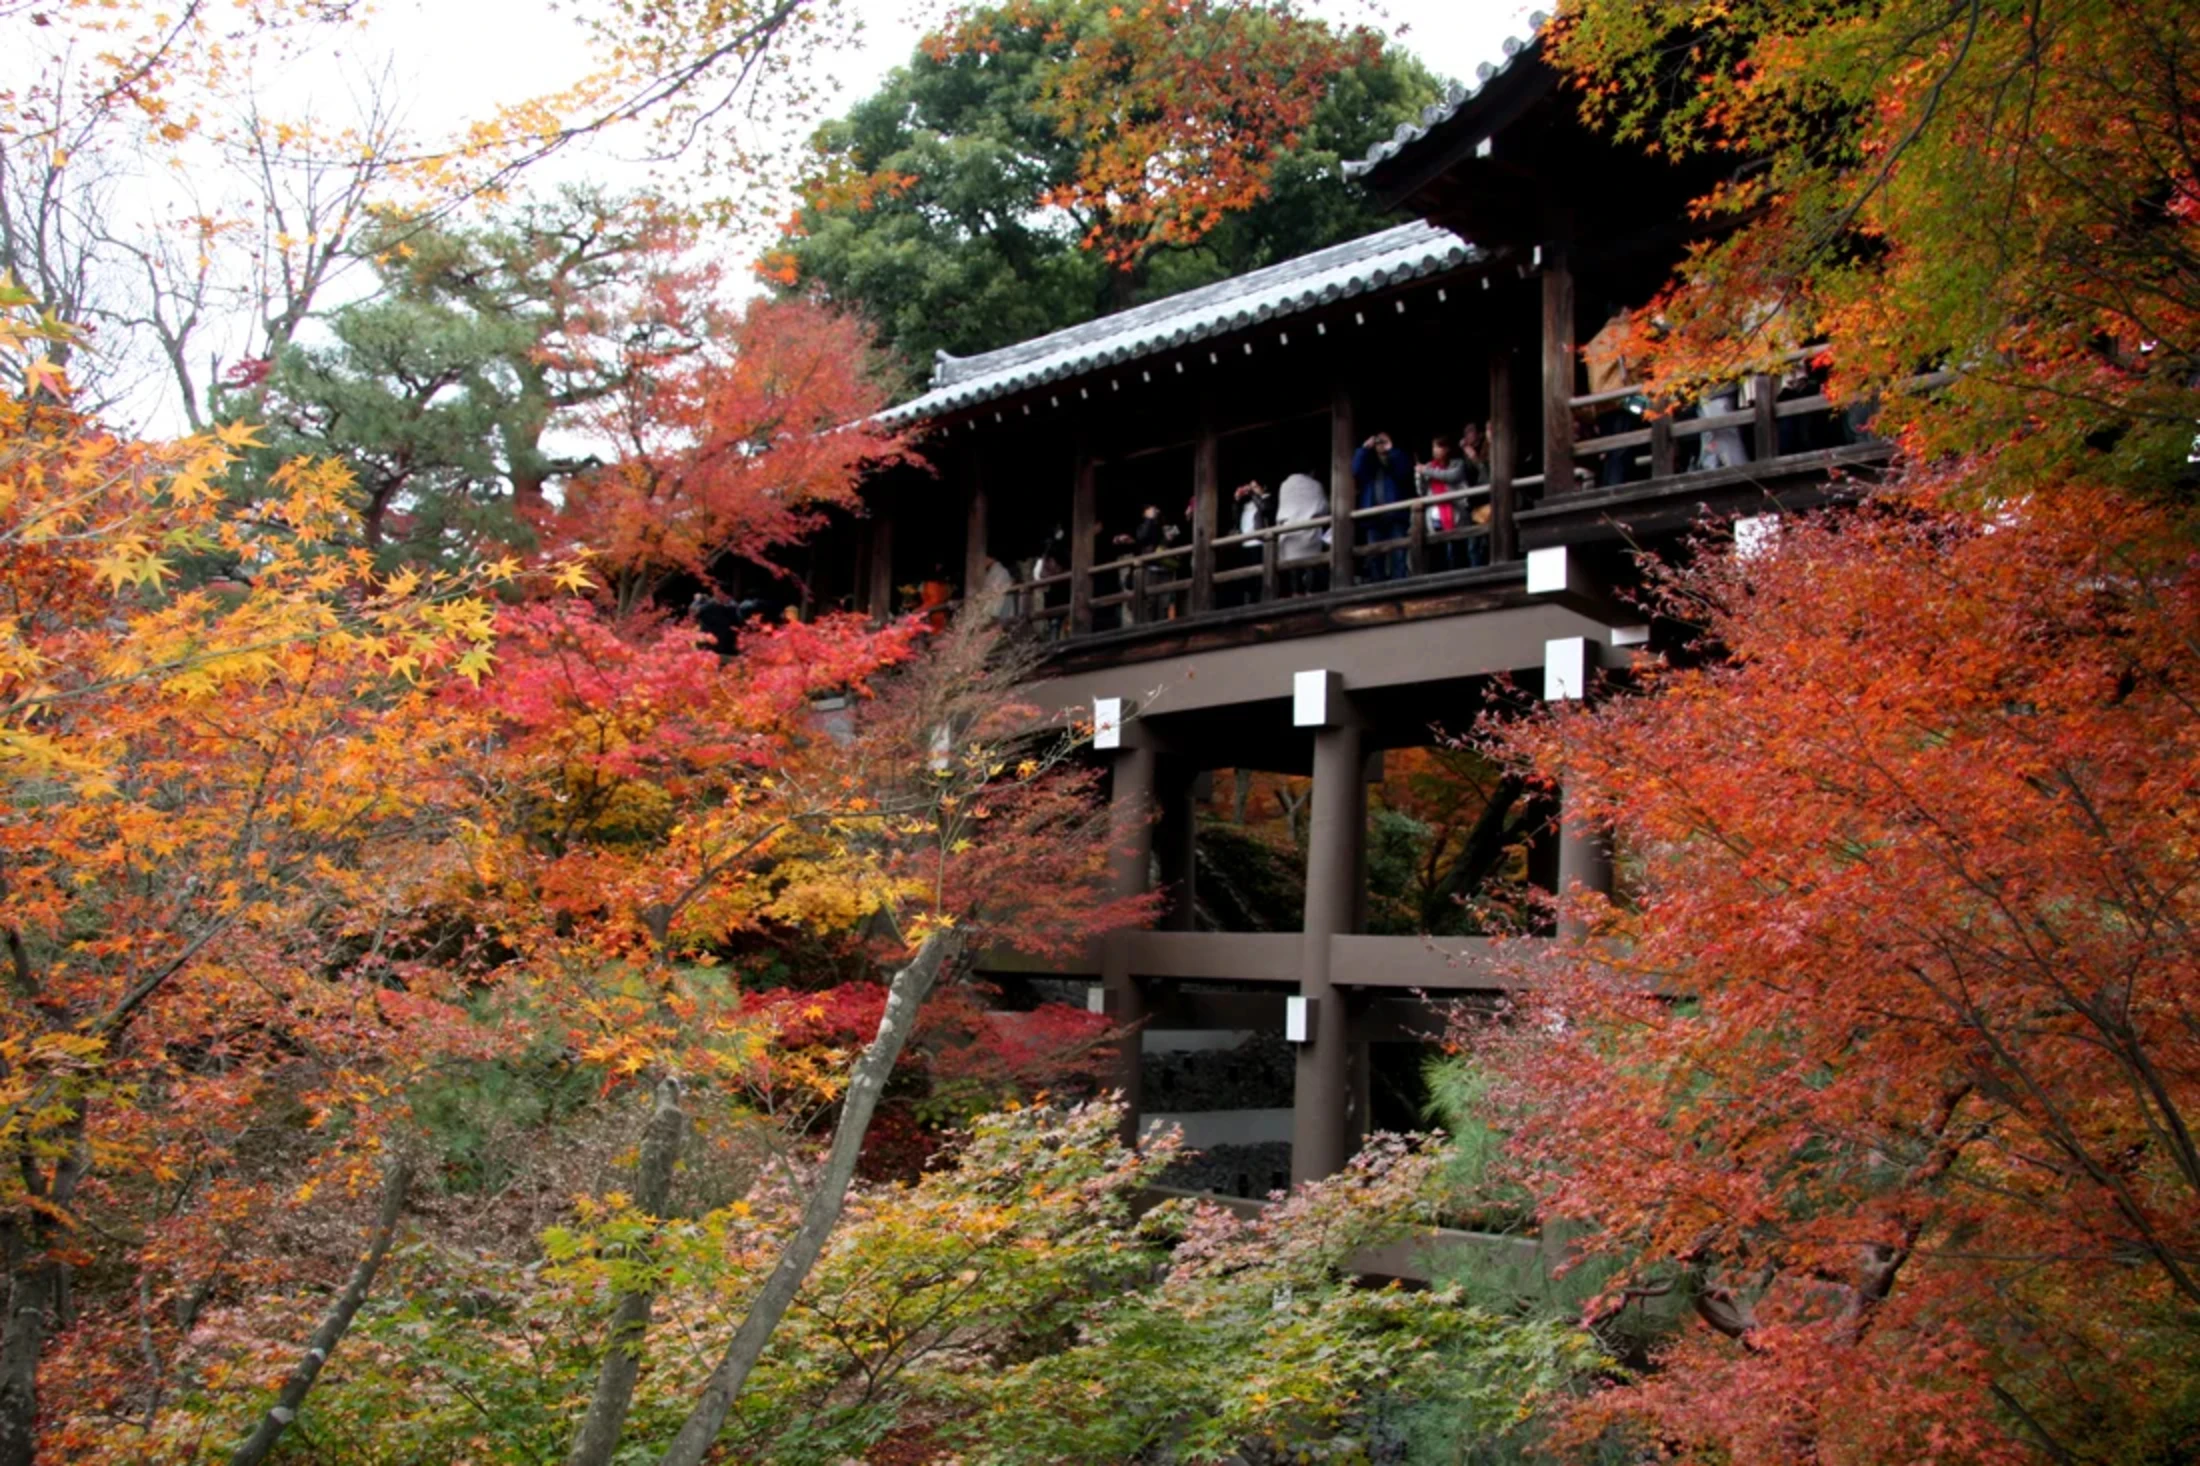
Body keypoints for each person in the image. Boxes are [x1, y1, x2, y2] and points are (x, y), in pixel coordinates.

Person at [1352, 432, 1413, 582]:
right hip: (1374, 516)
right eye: (1378, 442)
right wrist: (1364, 449)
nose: (1380, 444)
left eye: (1383, 441)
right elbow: (1355, 470)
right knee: (1374, 555)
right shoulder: (1369, 463)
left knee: (1398, 552)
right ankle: (1377, 584)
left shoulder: (1397, 457)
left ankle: (1400, 584)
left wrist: (1391, 449)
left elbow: (1404, 471)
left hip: (1395, 514)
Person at [1274, 472, 1328, 594]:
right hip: (1310, 530)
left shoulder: (1284, 486)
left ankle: (1295, 593)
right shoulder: (1316, 485)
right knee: (1312, 565)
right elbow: (1324, 508)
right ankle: (1312, 592)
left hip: (1288, 531)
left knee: (1293, 568)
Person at [1227, 479, 1273, 605]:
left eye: (1255, 486)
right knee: (1245, 579)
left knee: (1258, 578)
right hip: (1244, 543)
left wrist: (1254, 494)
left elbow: (1266, 509)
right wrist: (1236, 498)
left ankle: (1259, 603)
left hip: (1258, 543)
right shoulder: (1245, 504)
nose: (1252, 489)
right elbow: (1234, 518)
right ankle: (1246, 604)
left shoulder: (1266, 499)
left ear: (1263, 487)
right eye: (1250, 487)